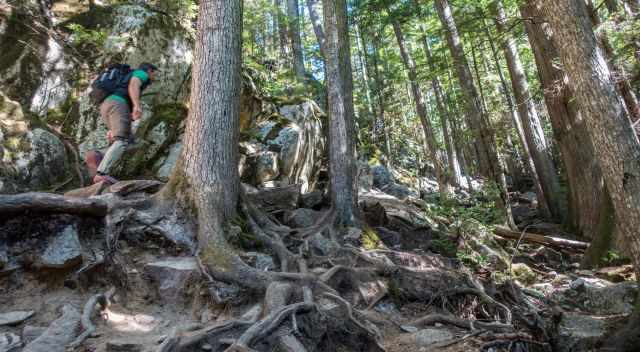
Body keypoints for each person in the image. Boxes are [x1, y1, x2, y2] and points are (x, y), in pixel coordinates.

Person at [93, 62, 158, 184]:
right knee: (121, 141)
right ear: (149, 71)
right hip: (118, 104)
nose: (155, 77)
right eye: (154, 73)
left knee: (126, 139)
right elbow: (134, 84)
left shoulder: (124, 77)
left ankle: (97, 156)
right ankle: (101, 173)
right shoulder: (141, 73)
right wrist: (137, 106)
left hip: (106, 105)